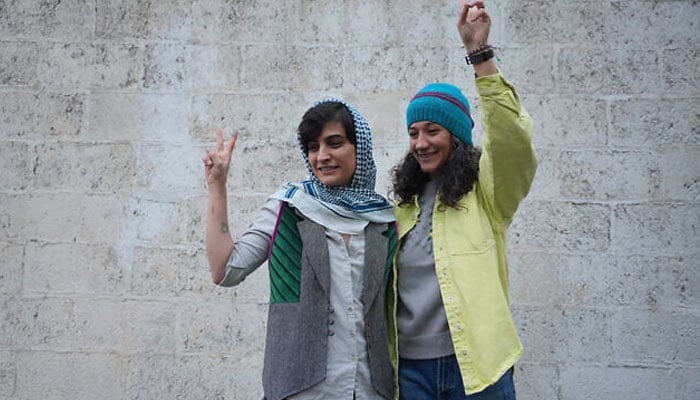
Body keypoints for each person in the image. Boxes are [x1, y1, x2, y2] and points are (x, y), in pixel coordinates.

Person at [388, 1, 537, 399]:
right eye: (413, 132)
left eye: (432, 130)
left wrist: (480, 56)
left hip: (478, 370)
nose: (420, 143)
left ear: (456, 135)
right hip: (411, 373)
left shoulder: (488, 194)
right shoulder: (403, 206)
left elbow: (511, 140)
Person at [203, 99, 398, 400]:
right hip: (300, 390)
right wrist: (218, 185)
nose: (322, 157)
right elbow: (225, 269)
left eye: (334, 143)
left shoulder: (384, 219)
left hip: (369, 389)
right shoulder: (289, 206)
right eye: (312, 147)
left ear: (360, 147)